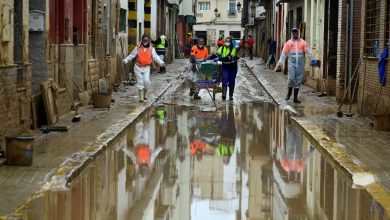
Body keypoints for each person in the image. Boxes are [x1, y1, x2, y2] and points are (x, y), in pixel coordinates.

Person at [274, 28, 314, 103]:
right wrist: (280, 64)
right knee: (291, 78)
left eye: (296, 34)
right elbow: (284, 54)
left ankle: (295, 97)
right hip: (291, 64)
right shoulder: (288, 43)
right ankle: (289, 93)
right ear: (292, 34)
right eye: (294, 34)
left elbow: (308, 52)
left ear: (298, 34)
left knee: (298, 80)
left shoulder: (303, 43)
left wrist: (312, 60)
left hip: (300, 64)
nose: (295, 35)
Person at [123, 34, 165, 102]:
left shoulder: (151, 48)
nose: (145, 42)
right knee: (140, 82)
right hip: (138, 67)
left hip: (146, 67)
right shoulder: (138, 47)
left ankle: (145, 94)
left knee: (146, 81)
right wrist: (126, 60)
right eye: (144, 40)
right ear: (142, 40)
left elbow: (155, 57)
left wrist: (161, 62)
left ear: (148, 41)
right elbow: (132, 55)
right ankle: (141, 97)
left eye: (146, 40)